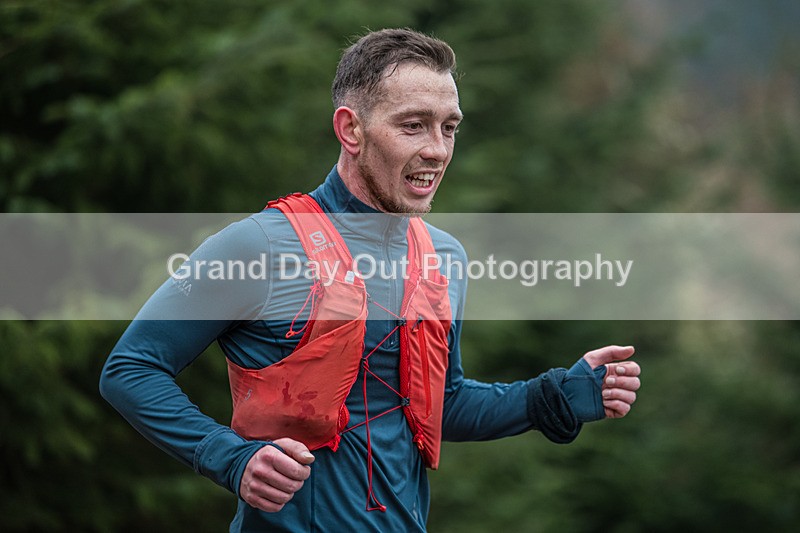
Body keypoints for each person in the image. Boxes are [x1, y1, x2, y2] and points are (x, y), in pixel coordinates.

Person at [100, 28, 641, 532]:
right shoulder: (258, 246)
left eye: (449, 127)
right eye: (413, 125)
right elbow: (131, 368)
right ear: (350, 130)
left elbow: (440, 404)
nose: (437, 149)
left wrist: (552, 397)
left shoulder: (444, 257)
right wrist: (230, 458)